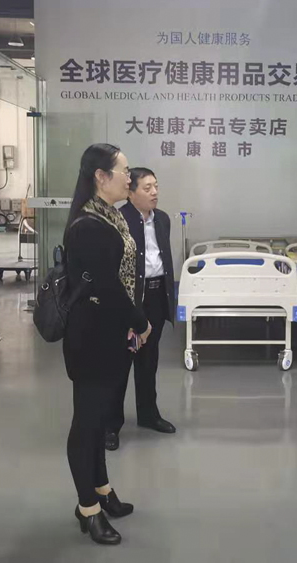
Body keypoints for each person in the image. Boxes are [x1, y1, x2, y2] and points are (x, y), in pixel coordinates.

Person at [63, 143, 152, 546]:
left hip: (110, 334)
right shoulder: (89, 225)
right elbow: (108, 286)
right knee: (86, 423)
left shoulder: (110, 216)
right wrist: (140, 321)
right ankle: (87, 508)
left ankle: (101, 489)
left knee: (99, 419)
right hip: (92, 338)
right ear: (101, 177)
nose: (129, 179)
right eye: (124, 171)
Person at [105, 167, 177, 450]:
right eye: (147, 188)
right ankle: (111, 425)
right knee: (121, 361)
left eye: (156, 186)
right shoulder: (118, 219)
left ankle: (148, 414)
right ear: (131, 192)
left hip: (156, 297)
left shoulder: (162, 219)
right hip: (130, 300)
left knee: (149, 360)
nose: (154, 192)